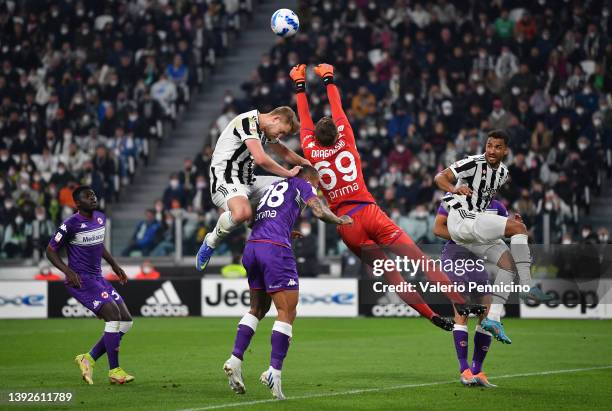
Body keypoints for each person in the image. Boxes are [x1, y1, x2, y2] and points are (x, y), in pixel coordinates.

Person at [290, 63, 457, 331]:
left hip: (346, 223)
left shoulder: (310, 149)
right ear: (336, 132)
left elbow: (304, 120)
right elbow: (338, 109)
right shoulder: (345, 138)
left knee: (393, 277)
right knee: (419, 259)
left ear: (316, 139)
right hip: (369, 211)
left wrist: (300, 84)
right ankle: (456, 302)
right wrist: (328, 78)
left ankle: (432, 317)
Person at [223, 166, 352, 400]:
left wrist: (285, 230)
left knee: (258, 309)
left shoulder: (272, 188)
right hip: (275, 250)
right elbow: (320, 211)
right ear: (310, 179)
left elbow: (254, 220)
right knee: (287, 311)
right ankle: (274, 372)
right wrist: (340, 220)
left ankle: (235, 359)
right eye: (318, 184)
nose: (318, 188)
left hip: (252, 247)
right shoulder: (302, 184)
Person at [434, 130, 553, 344]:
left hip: (474, 226)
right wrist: (454, 189)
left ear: (505, 150)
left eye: (497, 147)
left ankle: (494, 318)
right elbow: (439, 177)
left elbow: (485, 198)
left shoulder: (503, 173)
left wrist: (508, 224)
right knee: (519, 229)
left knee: (508, 264)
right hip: (461, 221)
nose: (491, 150)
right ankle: (526, 286)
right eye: (489, 145)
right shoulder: (473, 163)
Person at [196, 106, 310, 270]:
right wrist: (288, 173)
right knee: (242, 213)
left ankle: (274, 226)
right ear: (275, 119)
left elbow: (283, 151)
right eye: (281, 132)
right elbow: (261, 159)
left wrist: (306, 163)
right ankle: (211, 240)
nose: (280, 136)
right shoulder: (247, 122)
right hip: (225, 179)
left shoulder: (265, 129)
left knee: (292, 188)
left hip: (248, 180)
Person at [46, 186, 134, 385]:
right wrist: (68, 271)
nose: (92, 198)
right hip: (80, 280)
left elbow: (98, 244)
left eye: (93, 195)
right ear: (77, 203)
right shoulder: (70, 224)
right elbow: (50, 251)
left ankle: (89, 358)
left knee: (126, 321)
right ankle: (115, 371)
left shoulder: (100, 218)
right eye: (87, 197)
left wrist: (114, 264)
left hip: (98, 277)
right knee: (113, 316)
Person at [434, 199, 509, 388]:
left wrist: (515, 229)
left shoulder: (498, 207)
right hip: (454, 256)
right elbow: (438, 228)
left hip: (476, 260)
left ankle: (478, 370)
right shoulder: (453, 199)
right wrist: (466, 238)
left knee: (487, 313)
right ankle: (464, 370)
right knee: (462, 311)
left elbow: (502, 235)